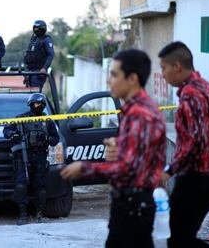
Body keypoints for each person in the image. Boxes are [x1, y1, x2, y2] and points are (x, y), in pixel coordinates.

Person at [61, 49, 167, 248]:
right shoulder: (133, 110)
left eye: (114, 74)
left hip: (134, 204)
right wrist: (119, 148)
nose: (109, 80)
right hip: (129, 203)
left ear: (132, 79)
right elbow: (139, 155)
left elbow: (129, 167)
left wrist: (84, 168)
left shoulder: (140, 113)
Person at [159, 41, 209, 248]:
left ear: (177, 66)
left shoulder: (191, 95)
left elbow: (193, 142)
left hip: (197, 180)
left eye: (164, 68)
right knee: (183, 237)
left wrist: (169, 171)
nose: (162, 74)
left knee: (178, 239)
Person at [3, 93, 59, 225]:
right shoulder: (21, 118)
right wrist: (13, 135)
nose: (36, 106)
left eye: (38, 104)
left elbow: (55, 139)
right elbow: (6, 130)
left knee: (40, 186)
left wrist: (47, 139)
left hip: (40, 156)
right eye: (34, 104)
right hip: (23, 156)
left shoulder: (47, 121)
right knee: (21, 184)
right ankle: (23, 215)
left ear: (43, 105)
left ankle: (39, 214)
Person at [23, 20, 54, 89]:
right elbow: (28, 55)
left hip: (38, 72)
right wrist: (26, 74)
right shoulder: (33, 40)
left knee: (35, 93)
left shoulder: (46, 40)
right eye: (35, 28)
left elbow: (51, 55)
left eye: (37, 28)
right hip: (30, 72)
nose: (36, 30)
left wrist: (44, 68)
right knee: (28, 93)